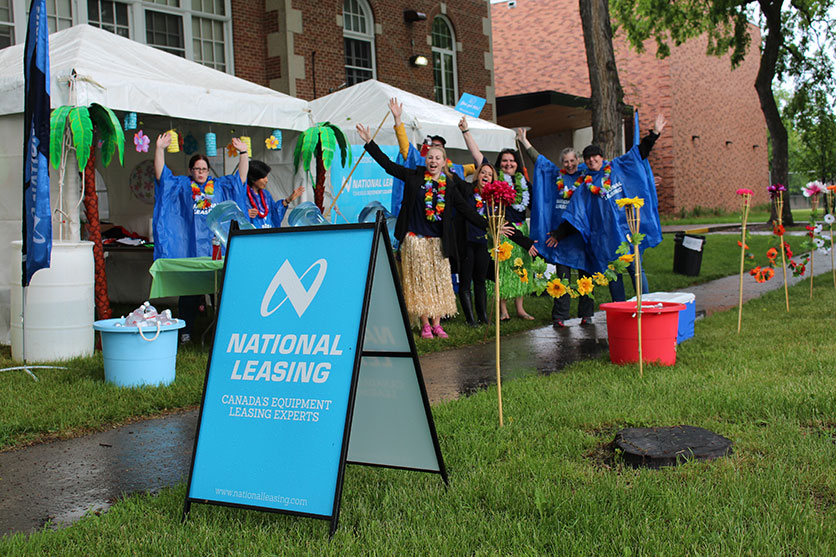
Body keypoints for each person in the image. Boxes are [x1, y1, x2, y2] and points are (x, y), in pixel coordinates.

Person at [356, 123, 498, 339]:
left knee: (439, 282)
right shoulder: (414, 177)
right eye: (430, 157)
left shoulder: (448, 186)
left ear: (444, 162)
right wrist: (369, 142)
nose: (433, 161)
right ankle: (425, 325)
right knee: (420, 282)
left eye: (437, 158)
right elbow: (389, 166)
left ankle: (437, 324)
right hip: (416, 240)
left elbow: (467, 210)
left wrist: (491, 226)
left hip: (438, 242)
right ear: (426, 159)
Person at [548, 113, 667, 302]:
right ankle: (619, 309)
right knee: (614, 276)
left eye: (594, 156)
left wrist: (655, 133)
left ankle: (645, 304)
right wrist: (558, 234)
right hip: (606, 239)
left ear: (601, 157)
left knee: (636, 269)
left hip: (627, 232)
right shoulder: (584, 186)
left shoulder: (617, 167)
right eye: (587, 158)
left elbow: (639, 153)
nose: (591, 160)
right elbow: (575, 215)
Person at [153, 132, 249, 343]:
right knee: (189, 292)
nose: (201, 172)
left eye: (204, 169)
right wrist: (159, 149)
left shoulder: (220, 186)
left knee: (221, 291)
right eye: (197, 169)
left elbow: (240, 180)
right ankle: (186, 331)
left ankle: (221, 331)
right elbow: (162, 177)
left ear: (208, 170)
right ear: (191, 170)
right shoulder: (181, 185)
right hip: (190, 250)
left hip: (216, 250)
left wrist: (243, 153)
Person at [460, 117, 535, 320]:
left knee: (520, 268)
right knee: (501, 270)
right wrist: (466, 132)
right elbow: (478, 157)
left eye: (511, 161)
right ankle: (503, 311)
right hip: (497, 228)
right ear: (499, 165)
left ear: (516, 164)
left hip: (518, 229)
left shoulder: (523, 182)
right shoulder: (493, 179)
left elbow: (534, 204)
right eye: (504, 161)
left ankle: (520, 308)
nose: (508, 163)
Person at [519, 129, 593, 327]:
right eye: (565, 162)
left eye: (572, 160)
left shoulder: (587, 177)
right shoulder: (555, 176)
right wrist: (525, 142)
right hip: (560, 237)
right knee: (563, 278)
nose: (569, 165)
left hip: (581, 236)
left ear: (578, 159)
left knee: (586, 276)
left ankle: (586, 314)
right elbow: (540, 162)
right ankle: (560, 316)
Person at [455, 162, 498, 326]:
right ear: (477, 175)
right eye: (483, 173)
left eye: (489, 174)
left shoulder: (493, 198)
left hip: (482, 242)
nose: (486, 176)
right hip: (466, 240)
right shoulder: (467, 191)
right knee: (466, 282)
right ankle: (470, 320)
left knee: (480, 280)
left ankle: (483, 317)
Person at [235, 160, 304, 228]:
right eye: (263, 177)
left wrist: (288, 200)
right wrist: (245, 213)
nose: (266, 180)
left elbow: (274, 214)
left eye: (266, 177)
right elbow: (232, 215)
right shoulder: (242, 195)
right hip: (252, 236)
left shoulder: (266, 195)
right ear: (253, 179)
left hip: (268, 234)